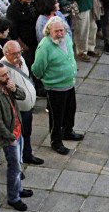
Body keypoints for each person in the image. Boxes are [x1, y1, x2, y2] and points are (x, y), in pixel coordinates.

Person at [31, 16, 81, 155]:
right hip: (55, 88)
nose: (60, 33)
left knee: (70, 110)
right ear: (49, 31)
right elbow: (37, 69)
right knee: (56, 117)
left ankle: (68, 131)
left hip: (69, 84)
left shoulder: (67, 39)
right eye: (56, 31)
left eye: (62, 30)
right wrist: (46, 80)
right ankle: (56, 141)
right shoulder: (45, 47)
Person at [0, 62, 30, 212]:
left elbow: (22, 96)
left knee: (19, 163)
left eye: (7, 73)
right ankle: (13, 198)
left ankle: (19, 188)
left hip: (18, 131)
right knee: (14, 167)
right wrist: (10, 136)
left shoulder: (6, 86)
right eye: (3, 75)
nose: (7, 76)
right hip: (10, 137)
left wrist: (14, 88)